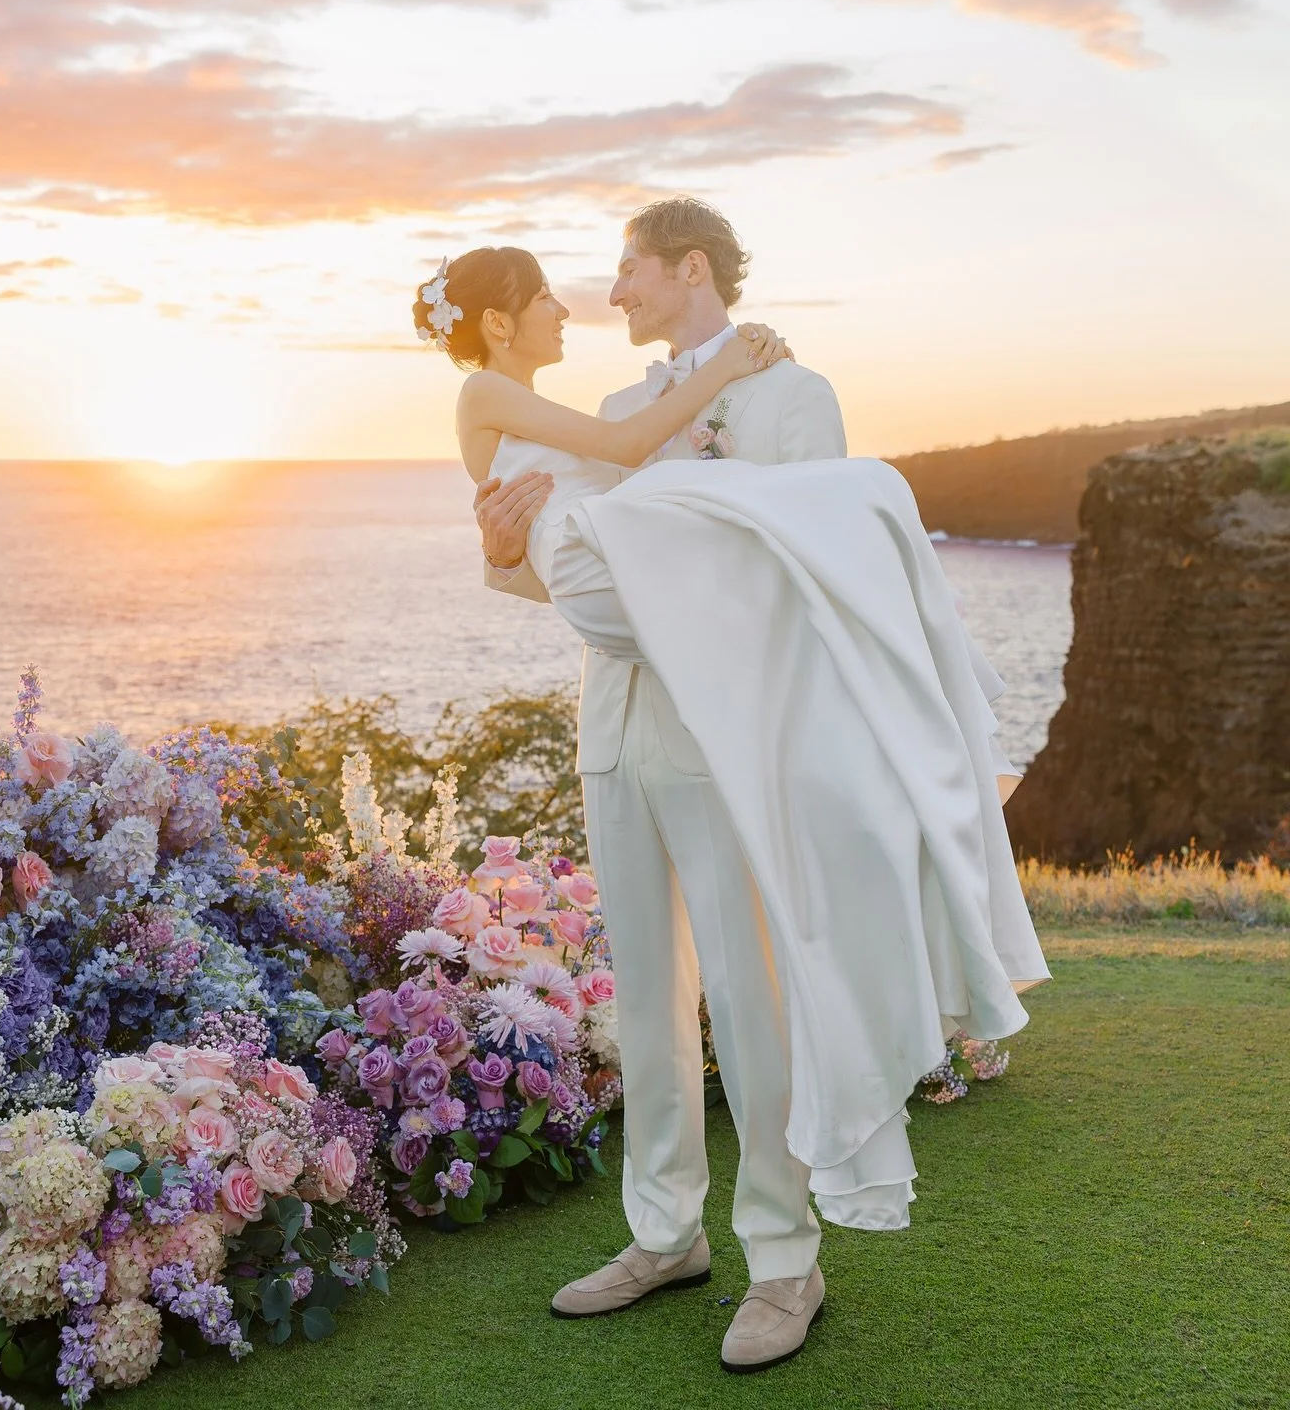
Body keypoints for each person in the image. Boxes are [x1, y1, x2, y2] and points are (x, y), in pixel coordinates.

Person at [420, 199, 1046, 1377]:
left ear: (688, 267)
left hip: (730, 742)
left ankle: (783, 1260)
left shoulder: (788, 395)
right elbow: (564, 577)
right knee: (647, 1003)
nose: (612, 295)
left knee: (754, 1011)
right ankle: (662, 1236)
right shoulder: (614, 412)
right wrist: (503, 550)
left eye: (628, 270)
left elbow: (810, 570)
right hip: (617, 726)